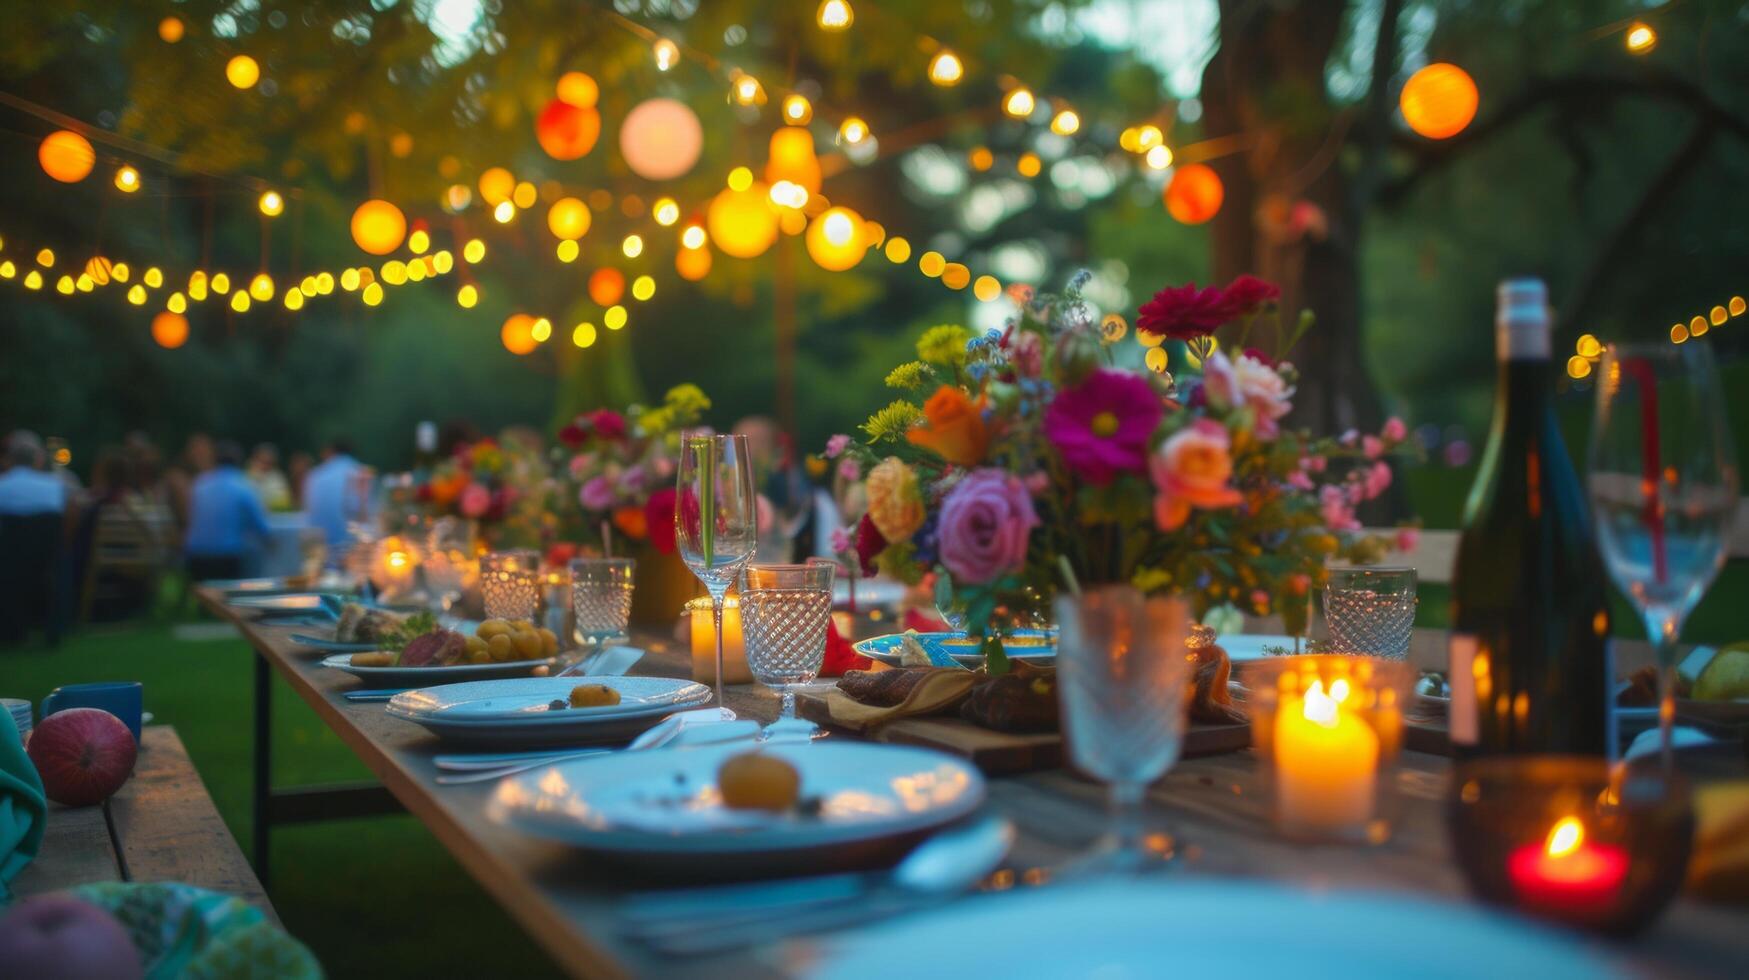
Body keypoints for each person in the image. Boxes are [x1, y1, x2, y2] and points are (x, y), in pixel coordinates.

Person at [182, 441, 270, 581]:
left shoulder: (199, 483)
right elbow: (262, 528)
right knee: (254, 556)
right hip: (226, 560)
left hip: (195, 558)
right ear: (239, 461)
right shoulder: (243, 486)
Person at [303, 439, 369, 549]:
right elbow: (365, 516)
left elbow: (308, 511)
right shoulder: (361, 473)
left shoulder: (315, 475)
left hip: (319, 546)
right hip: (351, 547)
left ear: (330, 452)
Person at [0, 430, 67, 517]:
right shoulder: (56, 486)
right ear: (37, 459)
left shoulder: (3, 484)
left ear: (11, 459)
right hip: (45, 530)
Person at [246, 442, 294, 511]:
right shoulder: (245, 478)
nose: (265, 466)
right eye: (262, 461)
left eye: (269, 463)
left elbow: (284, 502)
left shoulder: (277, 478)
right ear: (254, 460)